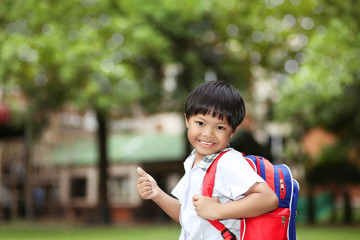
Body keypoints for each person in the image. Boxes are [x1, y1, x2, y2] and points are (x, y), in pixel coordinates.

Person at [137, 81, 278, 240]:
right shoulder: (193, 162)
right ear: (187, 120)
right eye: (200, 123)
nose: (208, 133)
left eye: (220, 127)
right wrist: (156, 194)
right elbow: (188, 216)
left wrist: (217, 210)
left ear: (233, 131)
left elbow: (268, 199)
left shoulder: (227, 162)